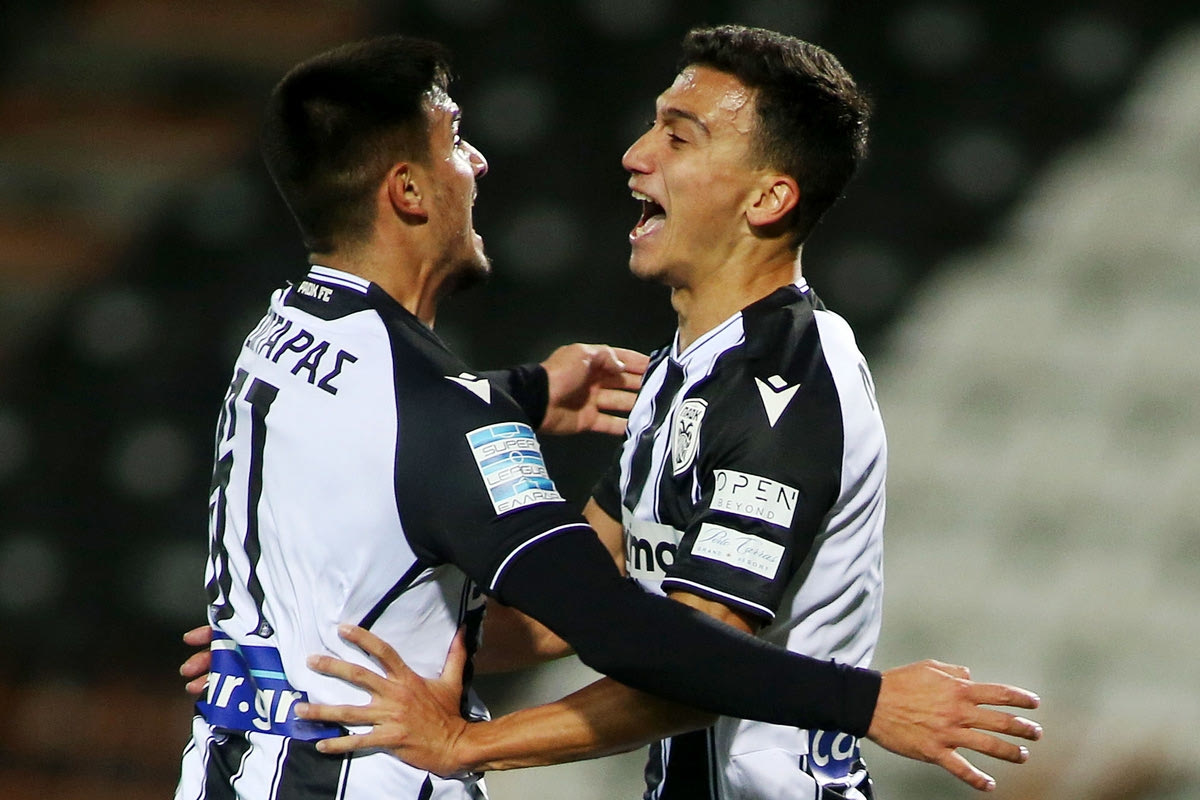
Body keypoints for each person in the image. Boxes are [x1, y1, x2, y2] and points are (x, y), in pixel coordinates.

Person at [175, 32, 1041, 800]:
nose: (634, 156)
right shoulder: (674, 371)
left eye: (678, 136)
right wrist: (305, 649)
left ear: (767, 199)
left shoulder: (788, 386)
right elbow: (580, 603)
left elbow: (681, 659)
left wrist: (467, 742)